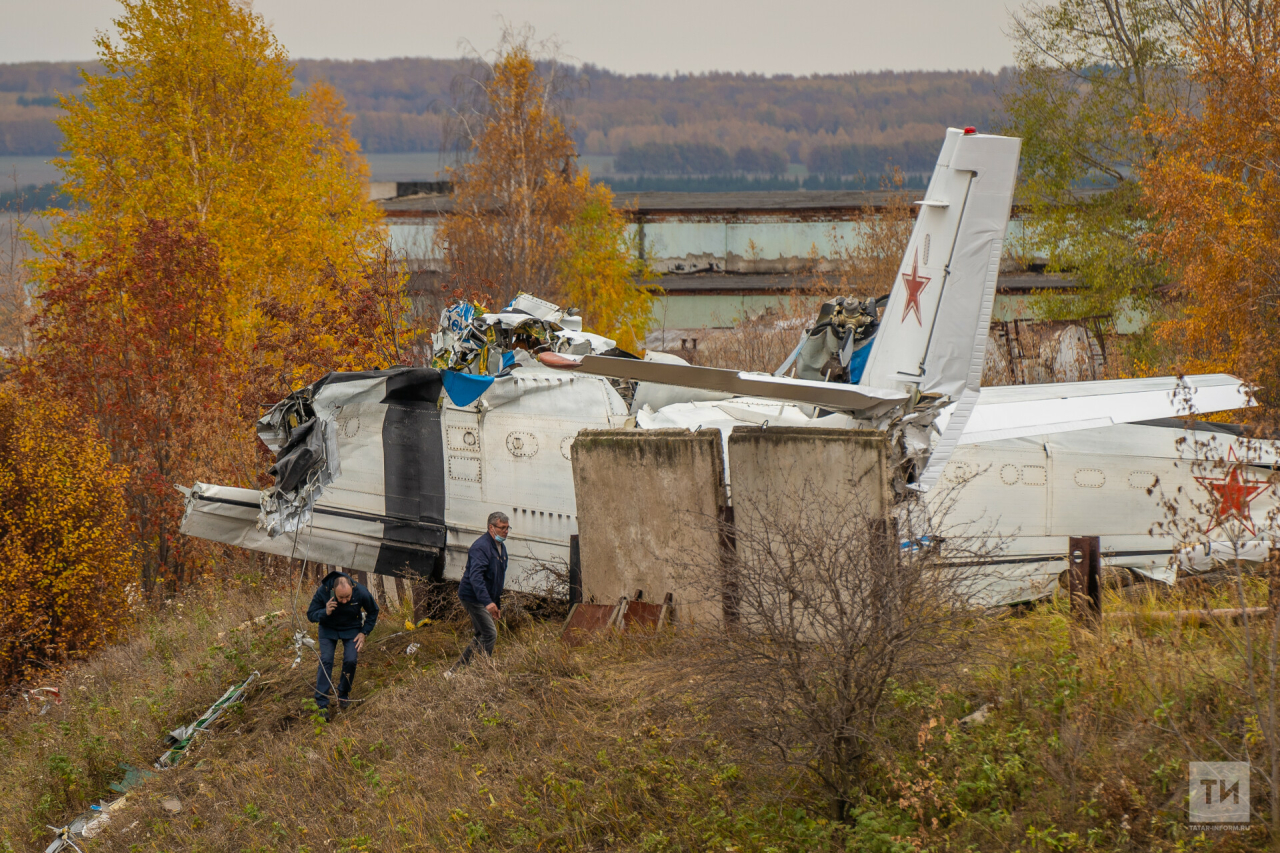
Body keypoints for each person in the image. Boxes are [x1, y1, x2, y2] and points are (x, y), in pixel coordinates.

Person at [306, 570, 379, 718]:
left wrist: (364, 632)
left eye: (348, 597)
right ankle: (322, 704)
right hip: (328, 628)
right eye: (341, 598)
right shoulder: (323, 591)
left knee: (351, 660)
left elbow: (373, 611)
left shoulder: (361, 592)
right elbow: (311, 615)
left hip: (352, 628)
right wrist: (324, 612)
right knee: (326, 660)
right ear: (333, 591)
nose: (345, 601)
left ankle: (343, 694)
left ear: (352, 588)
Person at [449, 511, 509, 673]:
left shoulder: (501, 548)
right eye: (502, 528)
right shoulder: (481, 547)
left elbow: (497, 581)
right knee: (490, 634)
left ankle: (454, 672)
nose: (506, 531)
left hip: (484, 598)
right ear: (491, 527)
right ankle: (482, 671)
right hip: (472, 597)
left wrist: (496, 604)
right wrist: (488, 602)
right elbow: (476, 578)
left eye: (508, 528)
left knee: (482, 634)